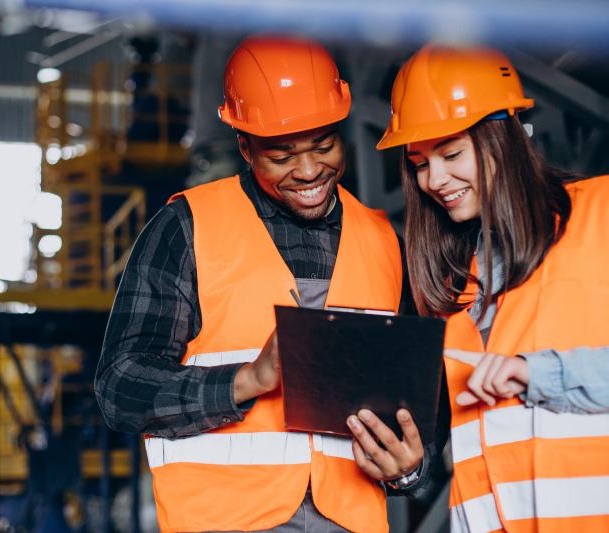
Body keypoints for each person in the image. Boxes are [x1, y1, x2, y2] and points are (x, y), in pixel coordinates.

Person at [95, 36, 431, 533]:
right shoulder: (187, 227)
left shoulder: (384, 241)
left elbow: (422, 401)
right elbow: (119, 388)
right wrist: (247, 380)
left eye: (324, 145)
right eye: (283, 155)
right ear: (244, 146)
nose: (311, 170)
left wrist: (410, 470)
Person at [355, 44, 609, 532]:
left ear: (502, 139)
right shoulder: (453, 286)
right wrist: (408, 470)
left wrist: (537, 374)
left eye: (451, 154)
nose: (434, 180)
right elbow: (456, 445)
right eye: (419, 162)